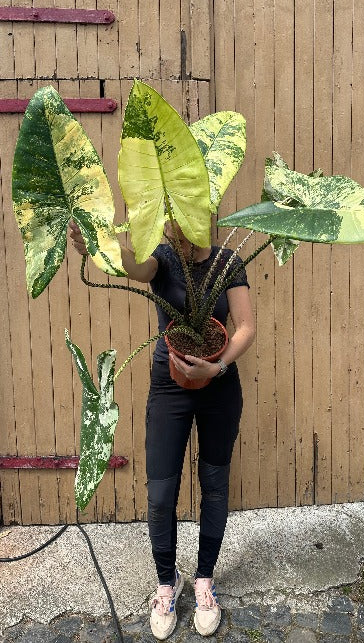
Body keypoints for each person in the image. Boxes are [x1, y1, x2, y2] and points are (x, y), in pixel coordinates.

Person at [69, 220, 255, 640]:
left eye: (192, 220)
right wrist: (97, 246)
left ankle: (205, 581)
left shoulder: (228, 261)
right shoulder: (165, 258)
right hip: (170, 382)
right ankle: (166, 586)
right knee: (160, 492)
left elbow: (245, 327)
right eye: (174, 223)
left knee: (215, 483)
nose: (182, 231)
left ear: (207, 214)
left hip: (219, 381)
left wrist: (218, 364)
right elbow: (133, 267)